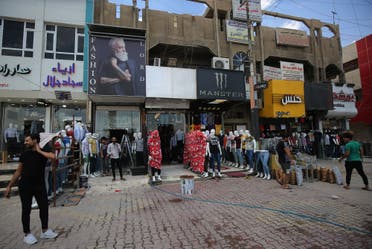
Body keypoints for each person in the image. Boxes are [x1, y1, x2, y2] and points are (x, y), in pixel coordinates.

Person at [4, 134, 58, 245]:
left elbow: (53, 157)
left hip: (39, 185)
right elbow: (18, 171)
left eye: (27, 141)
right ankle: (27, 234)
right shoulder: (24, 154)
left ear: (35, 141)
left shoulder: (42, 153)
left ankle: (45, 230)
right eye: (25, 141)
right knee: (26, 209)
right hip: (25, 186)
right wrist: (9, 186)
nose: (25, 142)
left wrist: (39, 151)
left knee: (44, 207)